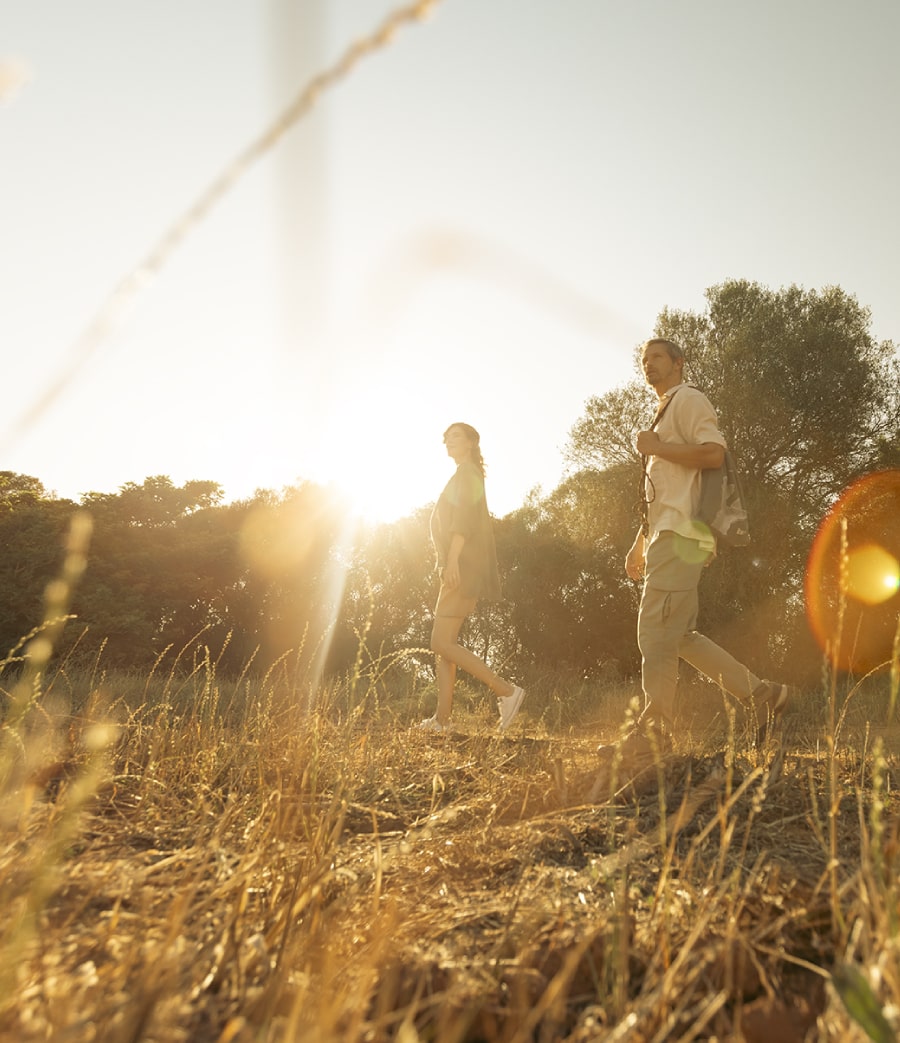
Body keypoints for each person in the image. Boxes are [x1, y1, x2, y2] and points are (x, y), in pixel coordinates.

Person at [605, 338, 788, 766]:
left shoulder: (688, 399)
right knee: (680, 636)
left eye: (657, 358)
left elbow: (713, 453)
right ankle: (764, 696)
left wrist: (657, 448)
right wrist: (641, 541)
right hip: (668, 536)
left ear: (678, 363)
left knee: (653, 630)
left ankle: (653, 733)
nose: (648, 364)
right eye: (644, 359)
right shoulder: (664, 410)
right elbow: (667, 491)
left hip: (682, 536)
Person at [420, 422, 525, 734]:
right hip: (457, 566)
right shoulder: (463, 474)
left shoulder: (467, 474)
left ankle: (506, 690)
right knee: (446, 645)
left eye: (455, 436)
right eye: (446, 437)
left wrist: (452, 561)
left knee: (439, 641)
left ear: (470, 442)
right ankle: (442, 719)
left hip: (461, 566)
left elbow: (463, 521)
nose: (448, 441)